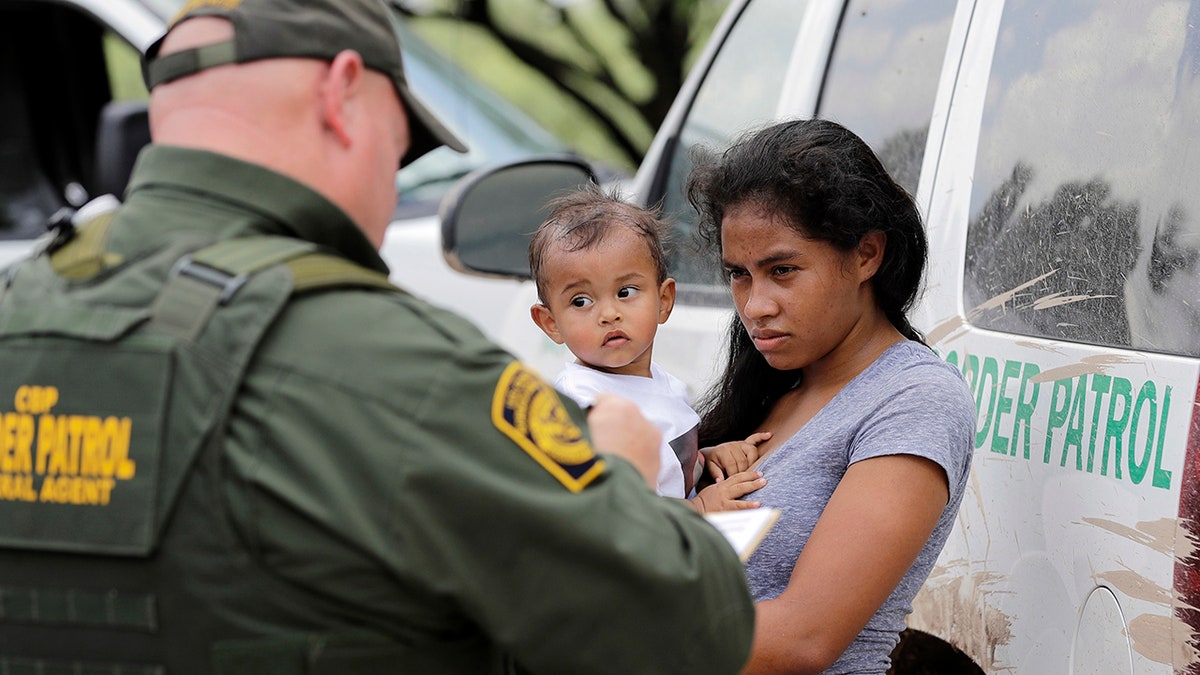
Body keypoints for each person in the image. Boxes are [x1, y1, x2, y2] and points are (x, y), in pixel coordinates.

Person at [0, 1, 755, 673]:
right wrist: (624, 483)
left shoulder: (16, 311)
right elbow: (692, 628)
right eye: (397, 152)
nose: (391, 190)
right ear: (342, 93)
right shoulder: (398, 364)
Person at [685, 118, 975, 674]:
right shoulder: (771, 385)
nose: (755, 305)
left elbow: (802, 640)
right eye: (739, 275)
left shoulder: (914, 399)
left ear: (866, 254)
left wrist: (592, 620)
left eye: (783, 270)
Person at [528, 185, 770, 512]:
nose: (609, 313)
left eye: (626, 292)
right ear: (550, 323)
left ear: (664, 301)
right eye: (581, 301)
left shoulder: (659, 383)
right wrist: (699, 507)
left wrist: (708, 458)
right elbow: (619, 514)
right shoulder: (586, 407)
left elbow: (666, 467)